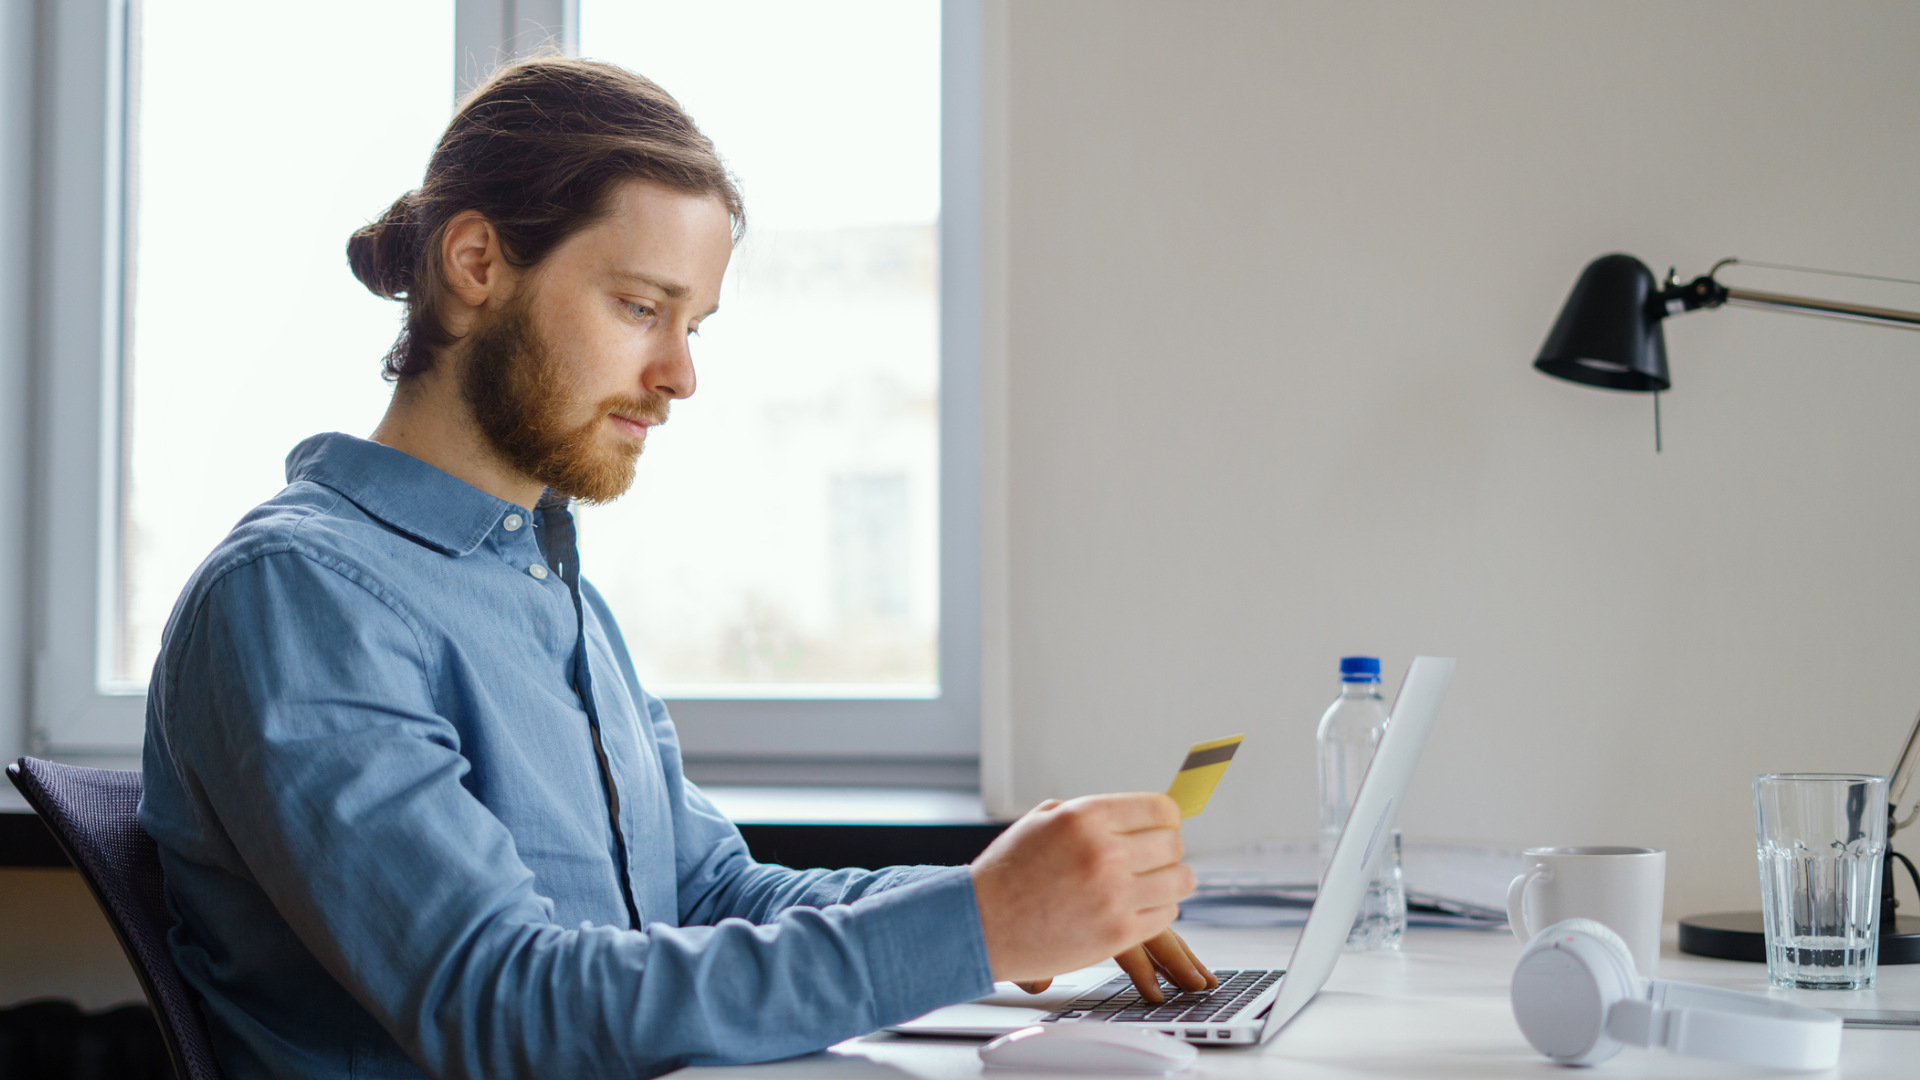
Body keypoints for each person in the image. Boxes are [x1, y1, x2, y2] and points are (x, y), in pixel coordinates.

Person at [139, 57, 1212, 1080]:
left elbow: (707, 892)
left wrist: (1008, 896)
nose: (681, 375)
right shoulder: (298, 597)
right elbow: (506, 1008)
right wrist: (977, 927)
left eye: (692, 323)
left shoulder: (551, 591)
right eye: (641, 308)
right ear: (476, 265)